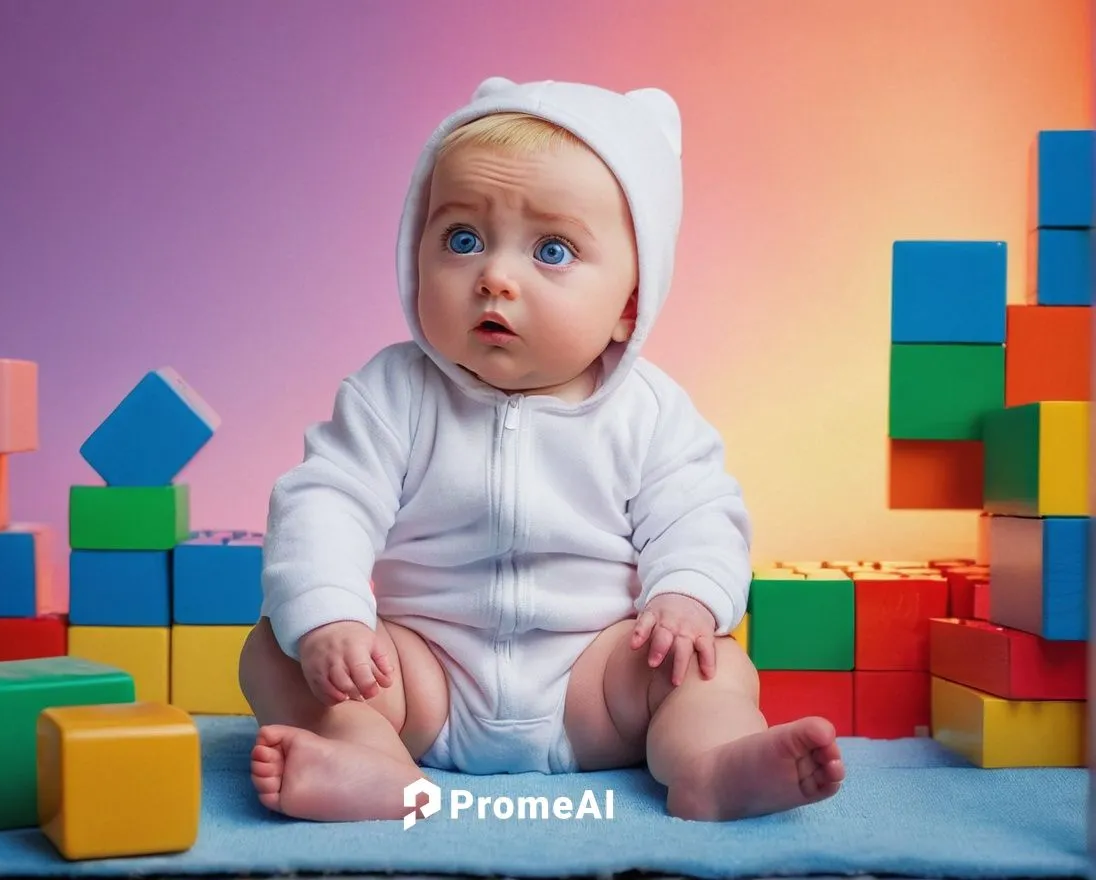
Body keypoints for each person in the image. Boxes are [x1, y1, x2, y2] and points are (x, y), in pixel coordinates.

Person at [239, 76, 844, 824]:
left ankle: (708, 765)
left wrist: (686, 596)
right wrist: (328, 615)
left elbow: (700, 515)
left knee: (712, 665)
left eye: (551, 250)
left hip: (595, 690)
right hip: (423, 678)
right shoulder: (391, 393)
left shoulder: (649, 412)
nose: (494, 276)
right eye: (461, 240)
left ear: (630, 304)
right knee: (274, 647)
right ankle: (376, 766)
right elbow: (325, 502)